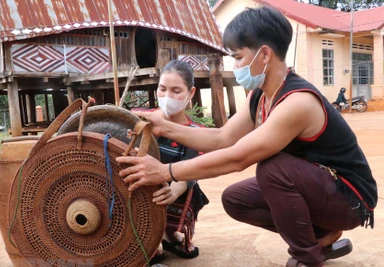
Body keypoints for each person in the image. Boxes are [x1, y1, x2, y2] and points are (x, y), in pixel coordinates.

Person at [116, 7, 377, 267]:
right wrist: (163, 127)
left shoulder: (298, 102)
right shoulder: (260, 96)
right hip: (321, 188)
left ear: (264, 54)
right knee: (236, 200)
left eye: (239, 57)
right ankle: (322, 238)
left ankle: (307, 257)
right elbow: (222, 137)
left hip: (351, 199)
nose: (236, 65)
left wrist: (164, 171)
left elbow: (238, 158)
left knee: (273, 169)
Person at [133, 60, 209, 263]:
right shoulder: (139, 120)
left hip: (170, 188)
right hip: (137, 186)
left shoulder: (195, 133)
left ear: (190, 93)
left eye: (176, 91)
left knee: (189, 184)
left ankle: (168, 233)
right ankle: (143, 237)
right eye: (162, 89)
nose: (167, 97)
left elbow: (192, 169)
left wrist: (173, 191)